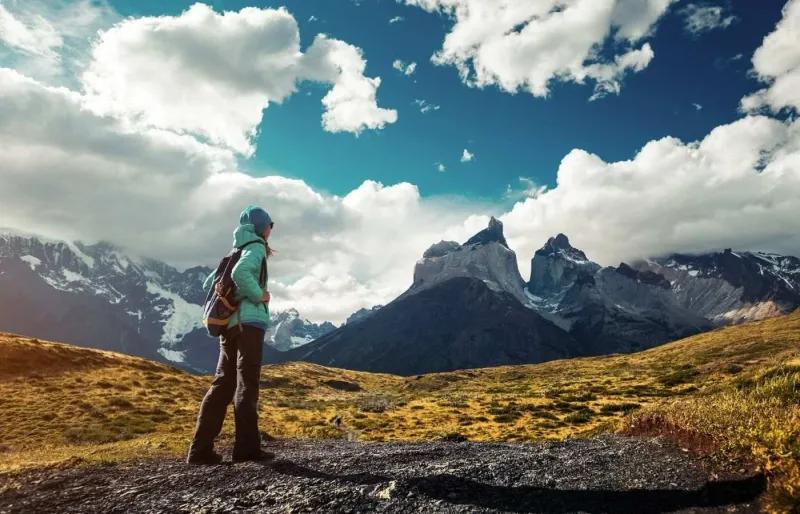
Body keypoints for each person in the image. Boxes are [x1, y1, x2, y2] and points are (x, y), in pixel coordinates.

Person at [187, 206, 274, 464]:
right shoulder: (256, 247)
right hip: (249, 324)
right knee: (247, 383)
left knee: (224, 383)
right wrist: (259, 295)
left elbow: (208, 284)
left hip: (229, 326)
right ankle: (246, 449)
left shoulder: (234, 251)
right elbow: (239, 274)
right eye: (271, 224)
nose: (271, 229)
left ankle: (199, 450)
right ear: (262, 228)